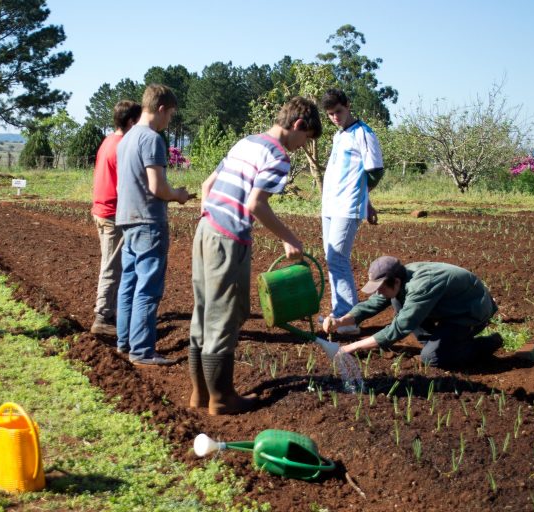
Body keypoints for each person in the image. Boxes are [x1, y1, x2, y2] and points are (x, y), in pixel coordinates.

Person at [190, 97, 323, 415]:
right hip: (228, 239)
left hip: (205, 230)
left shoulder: (247, 142)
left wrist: (213, 218)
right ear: (298, 126)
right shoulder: (277, 155)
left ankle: (200, 395)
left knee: (203, 311)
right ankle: (222, 399)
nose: (301, 146)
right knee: (225, 315)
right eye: (305, 139)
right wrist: (289, 237)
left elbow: (207, 185)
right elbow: (255, 205)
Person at [115, 84, 192, 366]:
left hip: (127, 218)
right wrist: (179, 195)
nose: (169, 120)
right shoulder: (151, 139)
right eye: (170, 114)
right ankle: (142, 350)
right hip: (149, 221)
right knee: (148, 287)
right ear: (161, 109)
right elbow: (157, 186)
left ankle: (124, 342)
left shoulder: (126, 139)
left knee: (129, 283)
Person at [323, 255, 503, 368]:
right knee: (396, 300)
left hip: (470, 313)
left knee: (432, 358)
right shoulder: (400, 278)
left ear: (396, 281)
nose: (378, 292)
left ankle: (487, 343)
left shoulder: (420, 287)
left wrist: (349, 348)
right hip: (448, 308)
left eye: (380, 287)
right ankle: (434, 341)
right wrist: (341, 321)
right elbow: (372, 304)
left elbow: (400, 327)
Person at [320, 88, 384, 334]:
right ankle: (339, 314)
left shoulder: (364, 133)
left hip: (347, 206)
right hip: (330, 205)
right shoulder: (340, 135)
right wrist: (368, 202)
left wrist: (363, 199)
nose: (335, 117)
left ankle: (349, 320)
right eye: (330, 114)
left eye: (338, 111)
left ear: (348, 105)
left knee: (338, 258)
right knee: (331, 258)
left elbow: (375, 170)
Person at [90, 100, 142, 336]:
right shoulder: (122, 146)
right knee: (112, 266)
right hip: (112, 213)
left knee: (112, 263)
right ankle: (103, 316)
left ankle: (111, 311)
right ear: (131, 121)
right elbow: (125, 186)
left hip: (101, 210)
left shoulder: (108, 140)